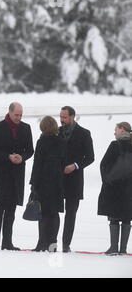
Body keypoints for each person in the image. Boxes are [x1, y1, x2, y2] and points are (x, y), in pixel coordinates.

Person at [0, 102, 34, 251]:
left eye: (21, 114)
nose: (19, 117)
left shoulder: (26, 128)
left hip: (17, 174)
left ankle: (7, 242)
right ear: (9, 112)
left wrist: (22, 157)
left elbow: (30, 150)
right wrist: (7, 156)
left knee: (12, 208)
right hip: (2, 173)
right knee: (0, 207)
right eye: (16, 114)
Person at [59, 106, 94, 253]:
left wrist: (75, 166)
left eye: (64, 117)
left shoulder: (84, 134)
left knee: (71, 212)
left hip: (74, 180)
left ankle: (66, 244)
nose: (61, 119)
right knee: (52, 211)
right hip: (57, 179)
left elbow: (90, 157)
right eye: (60, 116)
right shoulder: (57, 132)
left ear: (73, 117)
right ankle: (49, 241)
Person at [29, 116, 66, 252]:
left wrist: (33, 182)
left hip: (43, 182)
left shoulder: (42, 142)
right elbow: (63, 162)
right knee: (54, 213)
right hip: (57, 182)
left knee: (43, 213)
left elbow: (37, 164)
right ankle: (53, 244)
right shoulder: (61, 142)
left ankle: (41, 243)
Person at [98, 122, 132, 255]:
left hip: (114, 186)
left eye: (116, 129)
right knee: (127, 217)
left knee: (114, 217)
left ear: (122, 130)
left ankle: (113, 248)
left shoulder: (114, 145)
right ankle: (123, 249)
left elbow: (104, 164)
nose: (114, 132)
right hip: (129, 188)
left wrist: (107, 179)